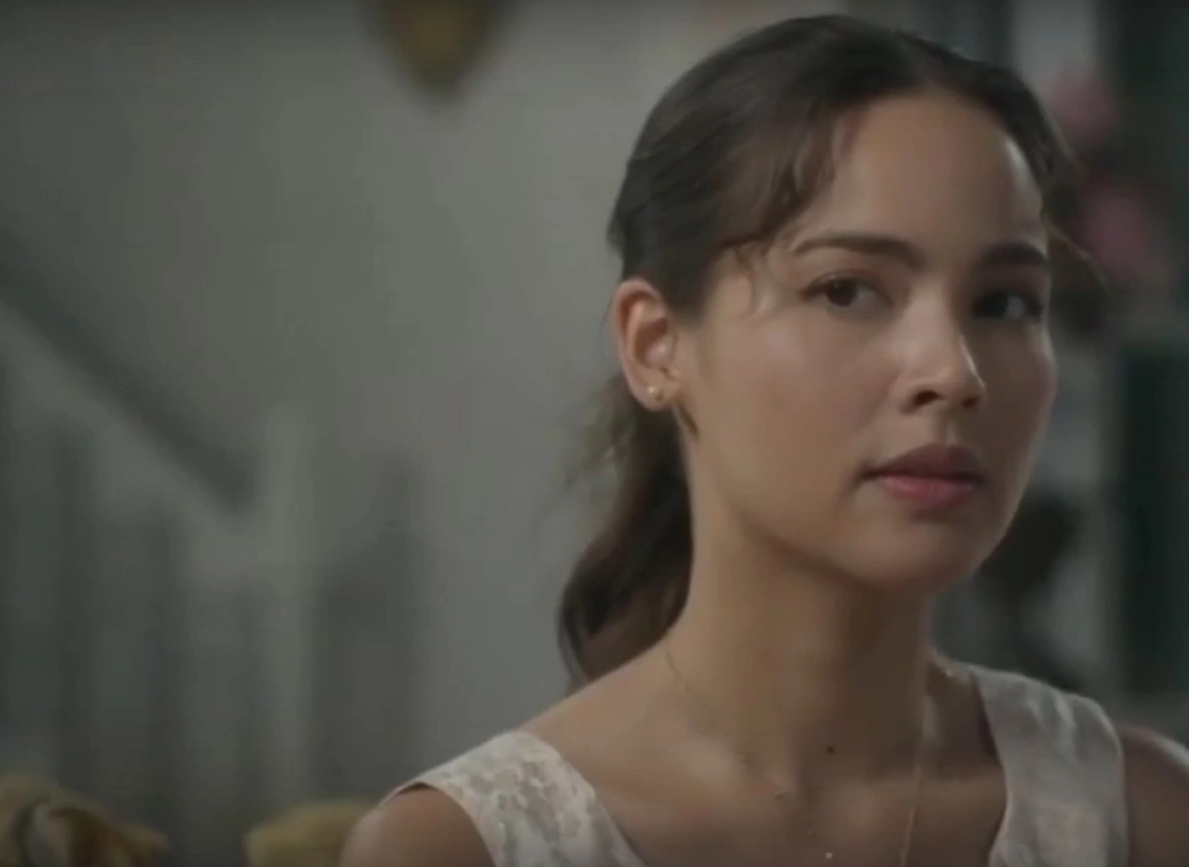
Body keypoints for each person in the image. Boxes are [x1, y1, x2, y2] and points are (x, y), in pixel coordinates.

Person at [343, 14, 1189, 867]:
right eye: (847, 289)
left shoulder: (1139, 817)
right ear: (656, 345)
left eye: (1004, 302)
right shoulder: (460, 848)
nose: (954, 370)